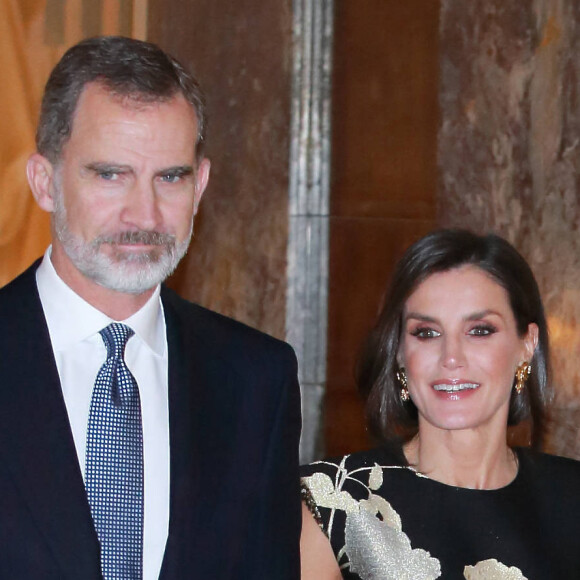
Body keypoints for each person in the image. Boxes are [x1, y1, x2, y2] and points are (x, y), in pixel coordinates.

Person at [0, 36, 301, 579]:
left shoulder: (257, 378)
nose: (145, 212)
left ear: (201, 183)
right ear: (45, 182)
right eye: (110, 174)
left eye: (170, 177)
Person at [300, 229, 580, 580]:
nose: (451, 358)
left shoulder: (571, 498)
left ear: (527, 343)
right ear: (400, 352)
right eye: (426, 332)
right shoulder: (332, 501)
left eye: (479, 330)